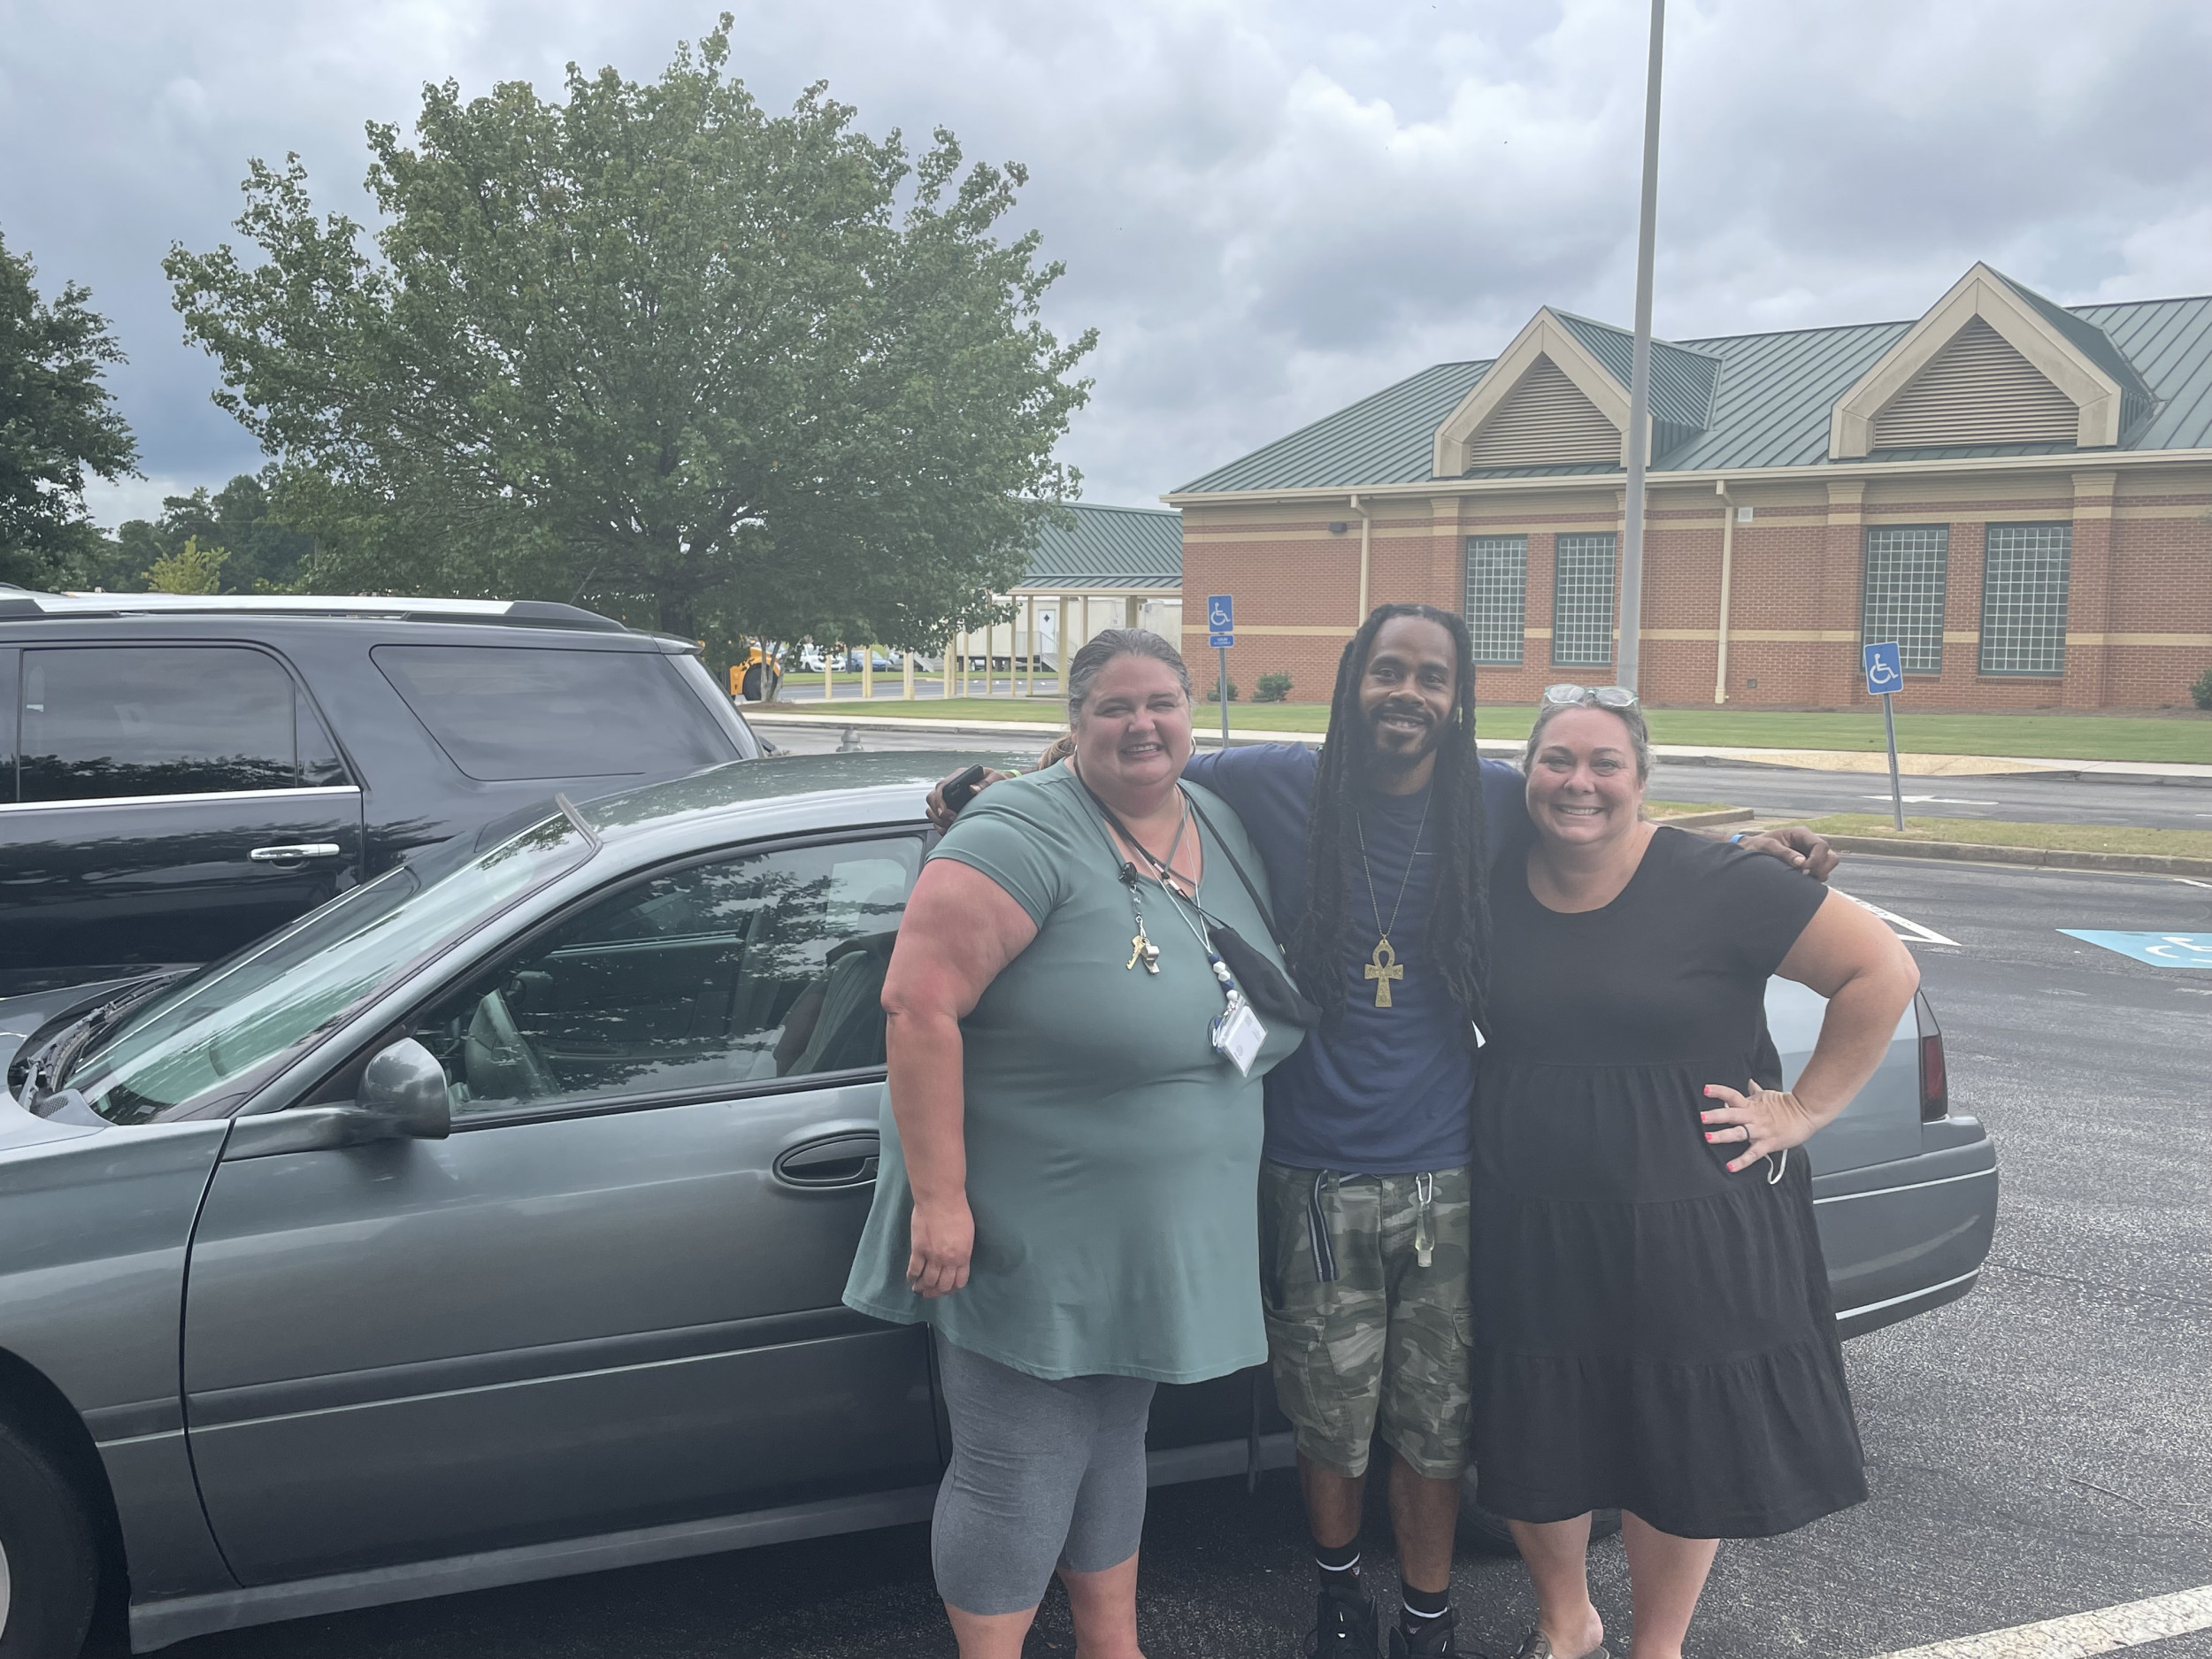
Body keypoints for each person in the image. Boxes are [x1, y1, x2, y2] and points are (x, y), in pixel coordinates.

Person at [929, 607, 1839, 1659]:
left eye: (1432, 677)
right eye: (1386, 671)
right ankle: (1334, 1596)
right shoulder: (1272, 782)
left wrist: (1744, 853)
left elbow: (1607, 829)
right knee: (1328, 1422)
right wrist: (1008, 779)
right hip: (1309, 1169)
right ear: (1352, 679)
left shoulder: (1493, 799)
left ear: (1456, 703)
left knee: (1436, 1424)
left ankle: (1426, 1608)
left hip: (1450, 1168)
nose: (1406, 692)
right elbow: (1136, 761)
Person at [843, 628, 1304, 1659]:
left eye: (1164, 703)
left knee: (1110, 1444)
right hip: (1032, 1221)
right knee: (1017, 1465)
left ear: (1192, 711)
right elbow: (917, 1009)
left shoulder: (1215, 817)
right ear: (1075, 720)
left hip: (1150, 1231)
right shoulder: (1020, 833)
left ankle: (1112, 1647)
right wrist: (942, 1200)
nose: (1143, 724)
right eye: (1114, 707)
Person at [1471, 687, 1919, 1659]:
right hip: (1530, 1211)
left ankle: (1656, 1645)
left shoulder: (1721, 880)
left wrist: (1797, 1109)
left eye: (1602, 764)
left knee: (1679, 1431)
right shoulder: (1492, 876)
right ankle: (1565, 1620)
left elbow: (1881, 973)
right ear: (1524, 775)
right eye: (1556, 761)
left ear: (1640, 781)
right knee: (1538, 1415)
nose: (1576, 783)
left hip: (1689, 1214)